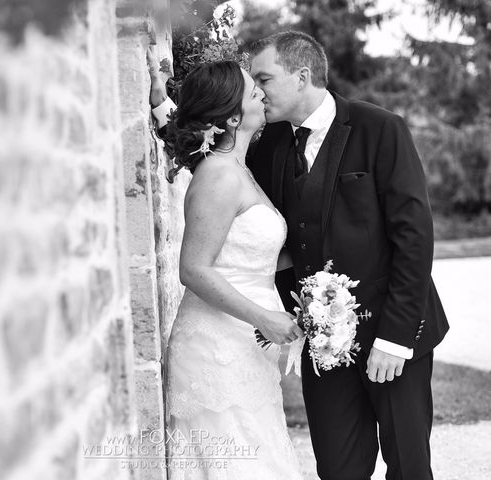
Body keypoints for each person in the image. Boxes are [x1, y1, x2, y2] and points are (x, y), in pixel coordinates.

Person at [150, 31, 449, 480]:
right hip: (321, 345)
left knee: (409, 466)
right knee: (337, 467)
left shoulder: (379, 128)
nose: (258, 89)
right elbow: (207, 152)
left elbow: (414, 238)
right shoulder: (266, 143)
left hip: (393, 336)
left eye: (263, 79)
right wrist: (161, 107)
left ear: (301, 76)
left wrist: (394, 339)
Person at [157, 60, 304, 479]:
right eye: (251, 87)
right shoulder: (219, 177)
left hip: (246, 343)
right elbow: (194, 269)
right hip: (216, 346)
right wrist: (265, 318)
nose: (259, 89)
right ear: (233, 115)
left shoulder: (240, 169)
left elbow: (250, 254)